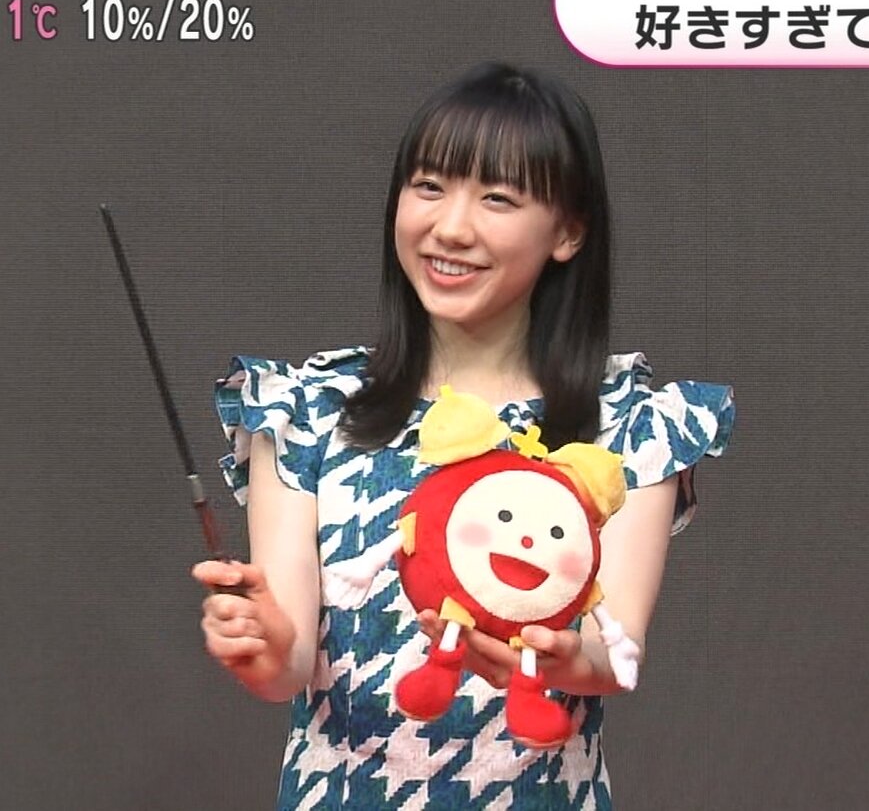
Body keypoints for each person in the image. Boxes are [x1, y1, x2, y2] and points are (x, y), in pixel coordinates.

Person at [191, 61, 735, 810]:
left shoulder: (626, 424)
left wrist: (564, 659)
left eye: (498, 198)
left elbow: (618, 654)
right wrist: (259, 641)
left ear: (569, 230)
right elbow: (287, 668)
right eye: (429, 186)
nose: (450, 227)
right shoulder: (310, 410)